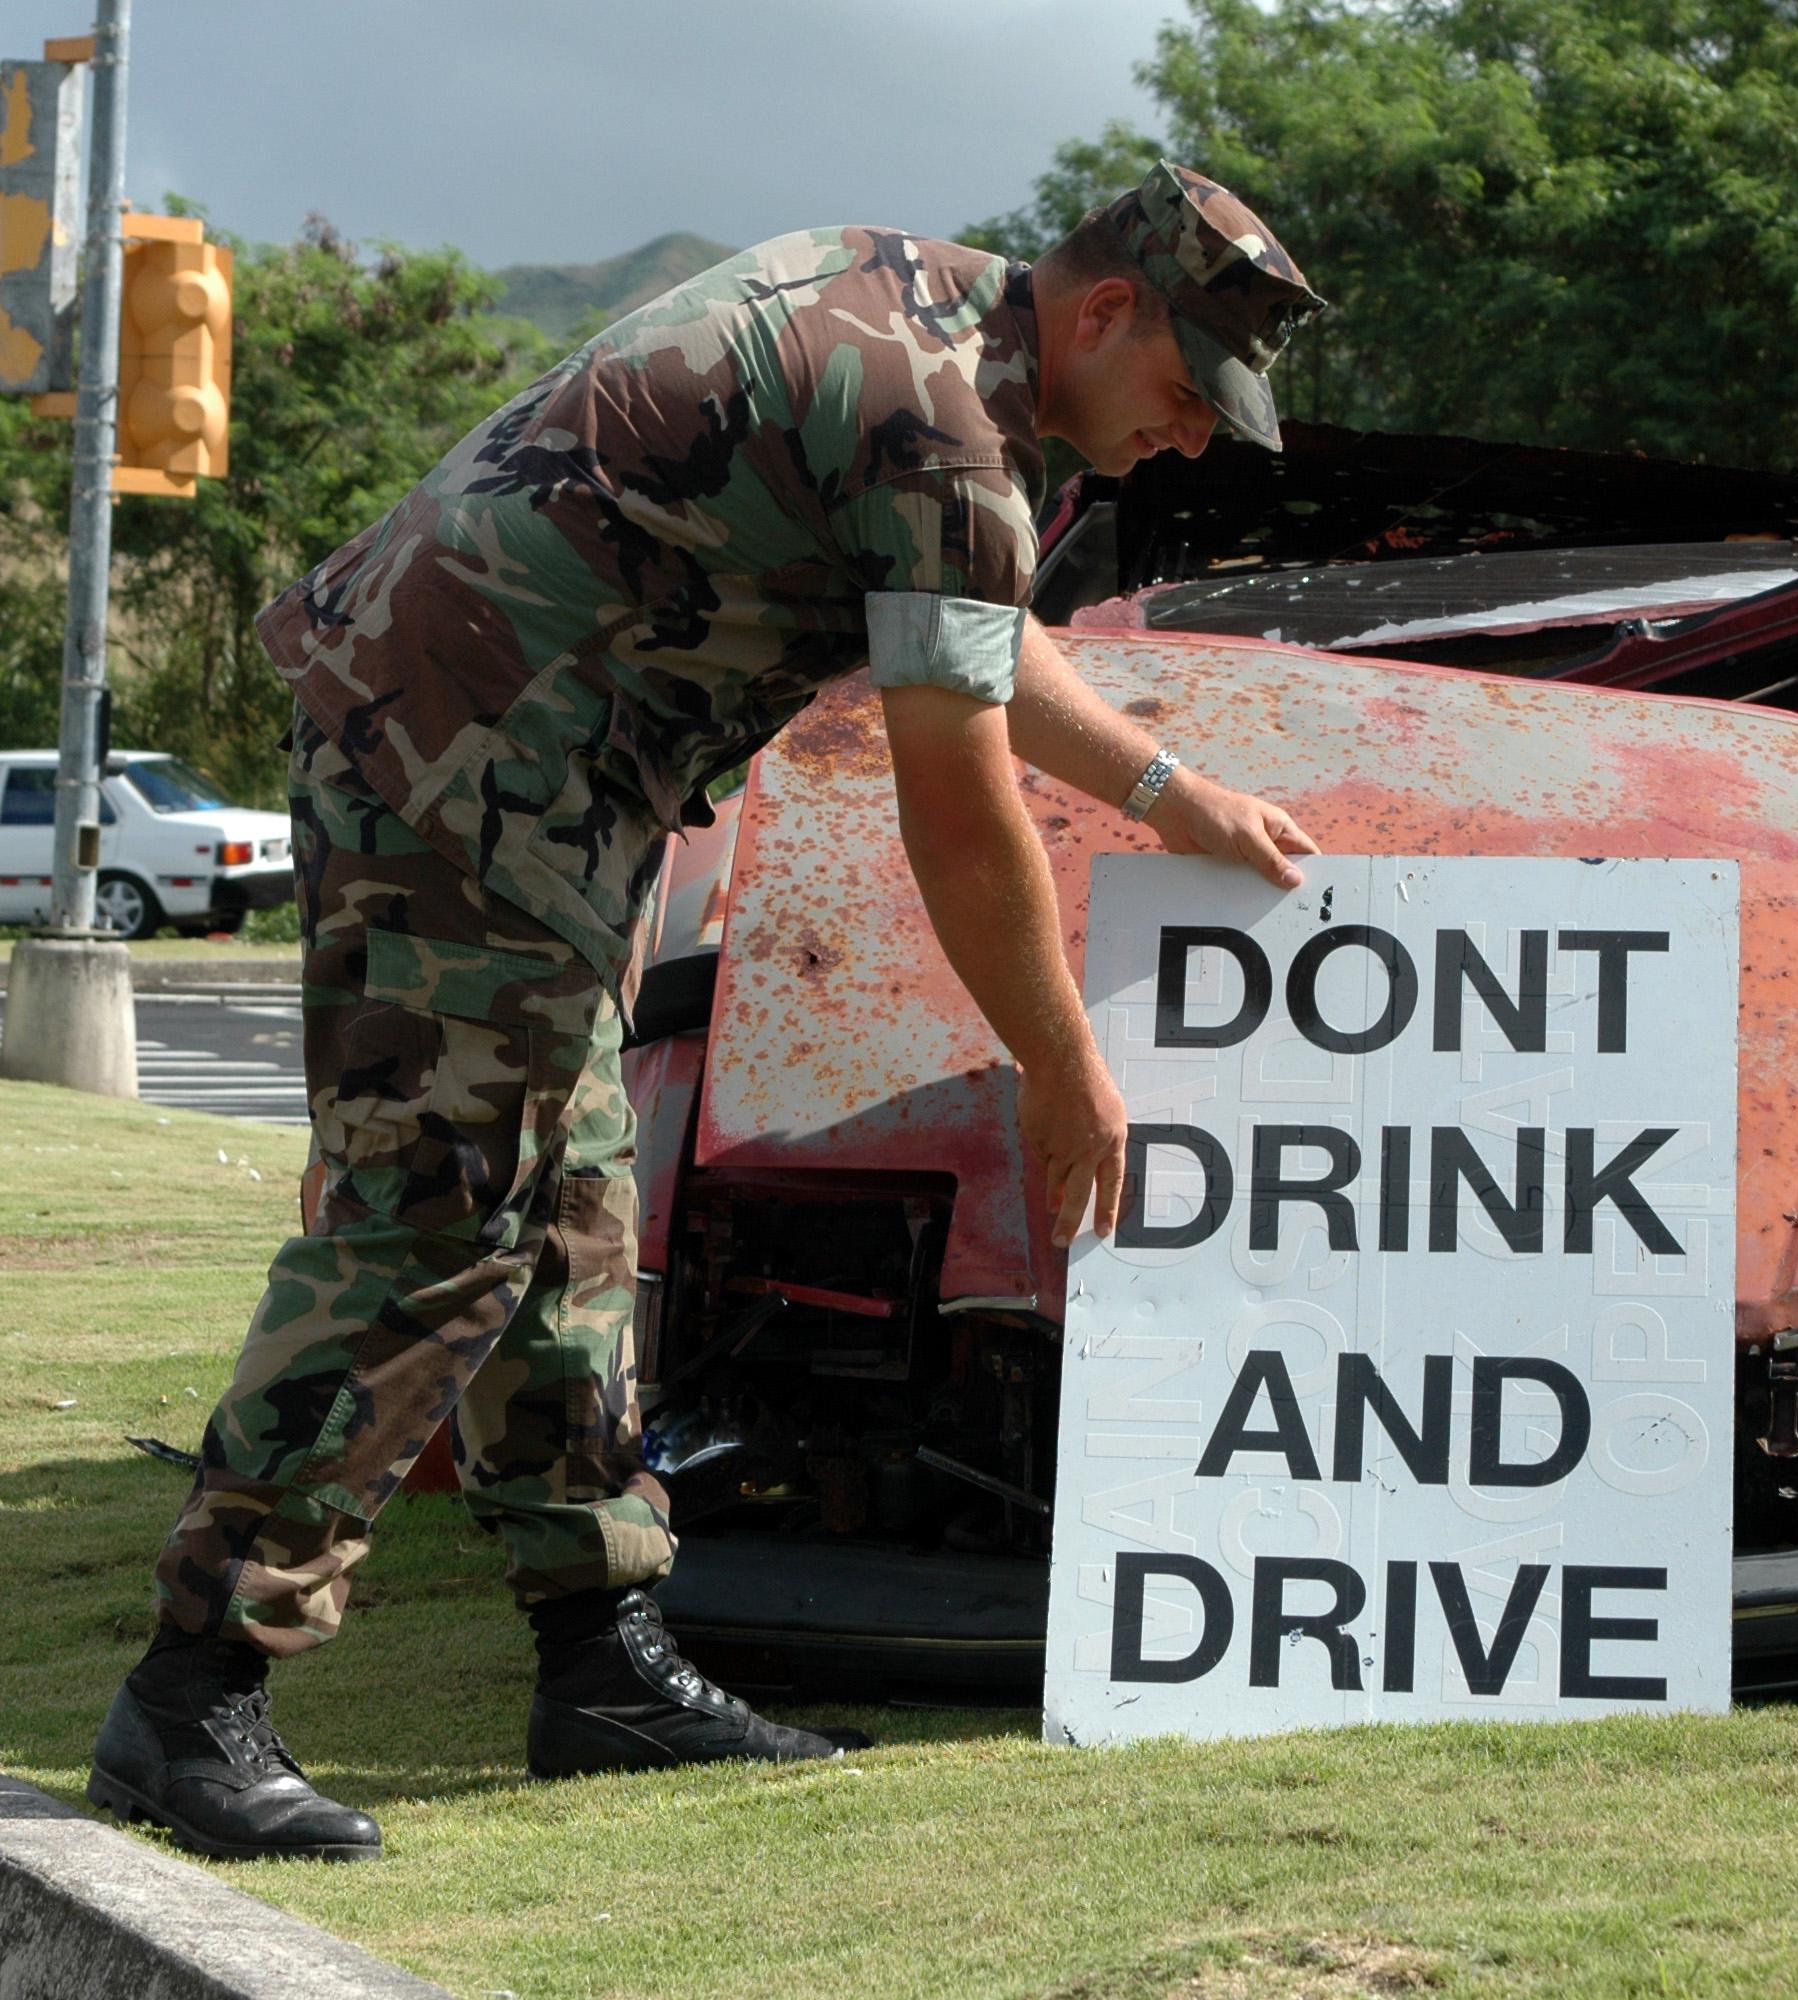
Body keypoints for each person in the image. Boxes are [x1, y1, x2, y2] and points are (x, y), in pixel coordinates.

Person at [85, 163, 1328, 1861]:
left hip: (519, 761)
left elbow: (974, 630)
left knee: (580, 1204)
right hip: (473, 757)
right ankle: (189, 1695)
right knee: (438, 1219)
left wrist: (1166, 788)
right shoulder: (944, 425)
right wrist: (1061, 1061)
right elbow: (954, 808)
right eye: (1189, 395)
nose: (1193, 439)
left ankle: (599, 1662)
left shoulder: (935, 316)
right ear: (1107, 310)